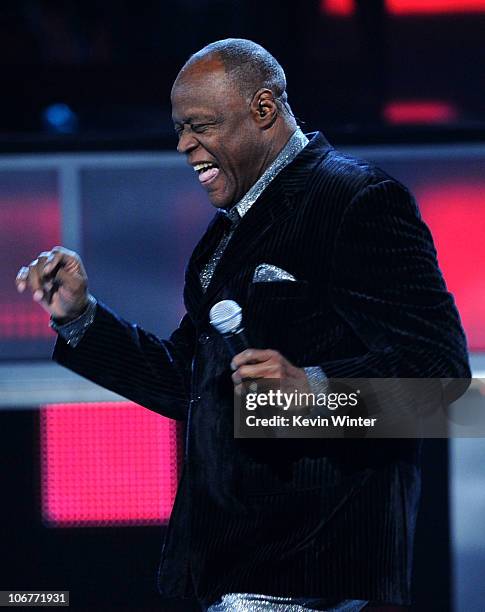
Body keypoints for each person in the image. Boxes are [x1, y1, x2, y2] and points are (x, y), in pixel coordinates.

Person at [16, 39, 470, 611]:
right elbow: (190, 384)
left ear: (263, 109)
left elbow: (444, 381)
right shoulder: (224, 237)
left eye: (201, 125)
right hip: (235, 568)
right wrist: (81, 320)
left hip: (313, 573)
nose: (185, 147)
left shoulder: (356, 200)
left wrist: (316, 391)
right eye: (180, 129)